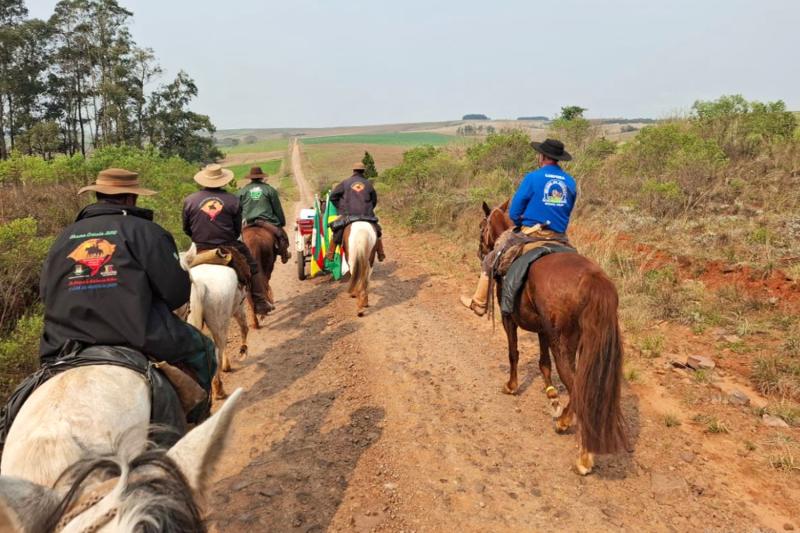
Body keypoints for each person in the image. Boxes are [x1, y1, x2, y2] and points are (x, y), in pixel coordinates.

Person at [39, 168, 217, 402]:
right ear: (131, 197)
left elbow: (47, 294)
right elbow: (176, 294)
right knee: (204, 350)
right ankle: (198, 415)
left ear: (98, 196)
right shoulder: (149, 232)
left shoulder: (64, 237)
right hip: (141, 334)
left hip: (63, 342)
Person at [460, 138, 577, 316]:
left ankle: (480, 302)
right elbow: (568, 209)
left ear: (542, 156)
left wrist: (521, 219)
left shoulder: (533, 177)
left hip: (532, 233)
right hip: (560, 236)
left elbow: (514, 211)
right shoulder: (570, 182)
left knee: (492, 257)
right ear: (558, 158)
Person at [182, 164, 272, 315]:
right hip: (228, 245)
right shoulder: (232, 200)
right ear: (222, 181)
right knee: (253, 266)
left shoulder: (190, 200)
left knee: (181, 269)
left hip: (199, 246)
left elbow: (186, 228)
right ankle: (259, 301)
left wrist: (199, 239)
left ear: (203, 181)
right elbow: (237, 229)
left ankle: (179, 308)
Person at [326, 161, 386, 261]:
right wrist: (368, 209)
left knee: (338, 230)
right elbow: (374, 200)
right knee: (378, 231)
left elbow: (333, 196)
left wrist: (341, 208)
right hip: (367, 215)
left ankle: (331, 253)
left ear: (353, 170)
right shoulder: (368, 184)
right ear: (363, 171)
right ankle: (380, 253)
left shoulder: (345, 183)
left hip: (349, 215)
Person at [236, 166, 291, 263]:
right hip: (267, 222)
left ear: (251, 178)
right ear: (261, 177)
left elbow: (238, 211)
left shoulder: (241, 192)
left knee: (236, 242)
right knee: (282, 236)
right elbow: (277, 208)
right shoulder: (270, 190)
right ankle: (284, 253)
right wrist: (281, 222)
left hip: (247, 223)